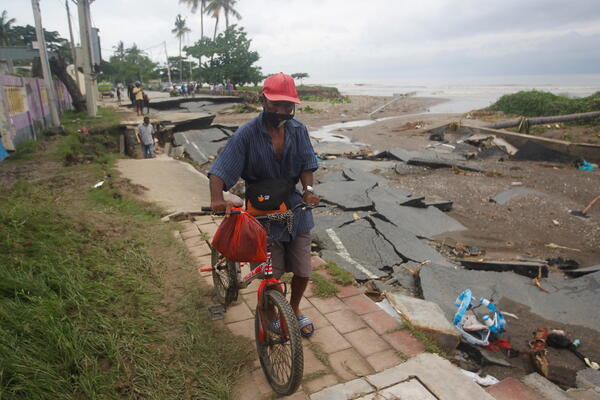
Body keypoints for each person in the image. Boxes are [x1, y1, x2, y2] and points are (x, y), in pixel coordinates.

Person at [208, 73, 319, 338]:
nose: (282, 110)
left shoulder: (298, 130)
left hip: (293, 207)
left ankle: (293, 309)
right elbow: (220, 170)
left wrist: (309, 191)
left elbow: (307, 164)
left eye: (287, 105)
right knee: (271, 274)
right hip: (261, 210)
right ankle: (269, 314)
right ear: (262, 100)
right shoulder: (246, 134)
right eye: (276, 104)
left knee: (303, 270)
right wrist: (217, 199)